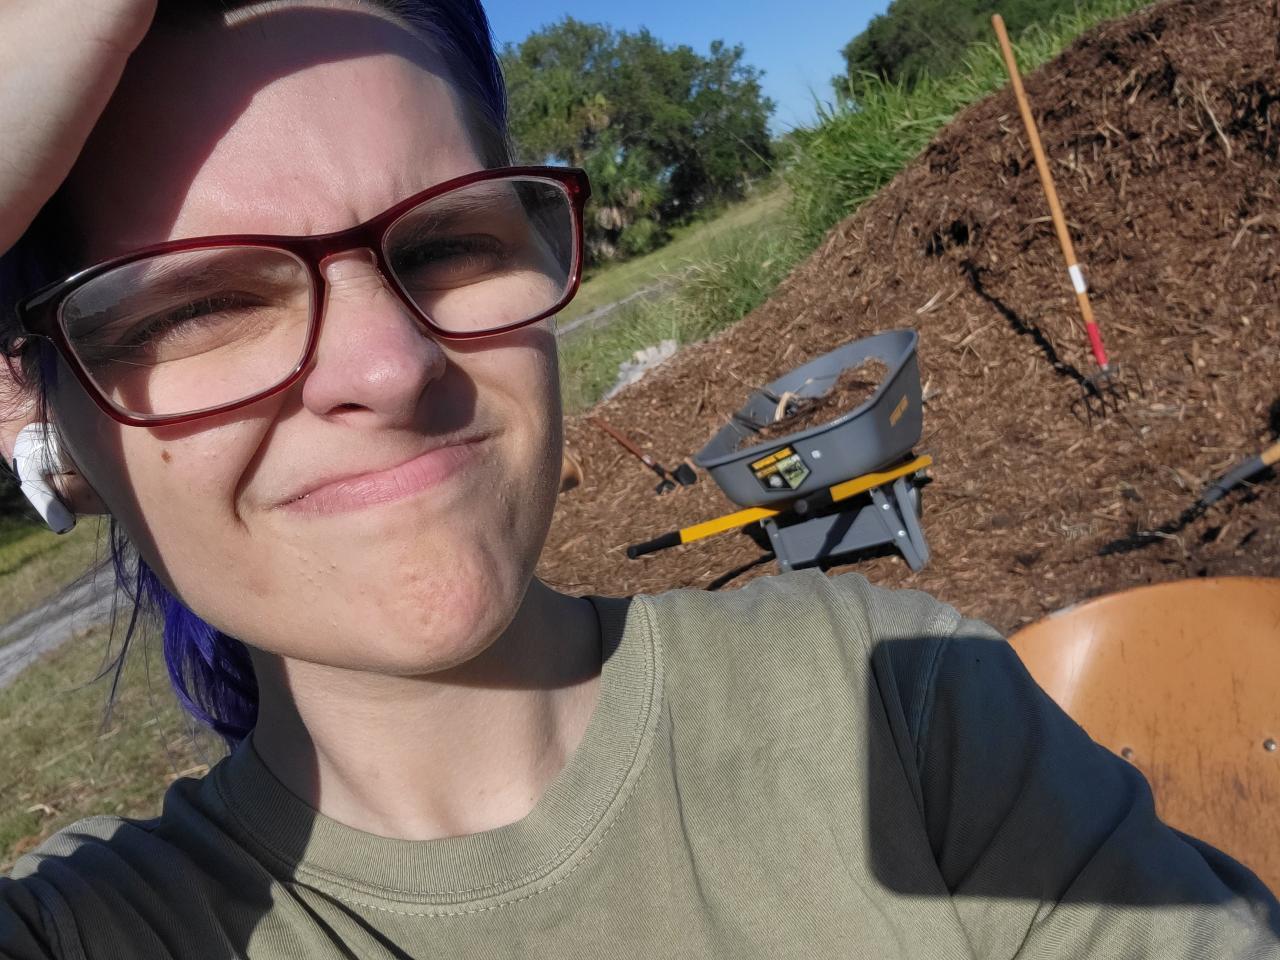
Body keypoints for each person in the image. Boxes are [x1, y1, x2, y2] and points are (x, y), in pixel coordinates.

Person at [0, 1, 1275, 957]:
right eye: (201, 305)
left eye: (446, 242)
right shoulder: (93, 932)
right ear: (39, 412)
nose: (391, 365)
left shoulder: (892, 705)